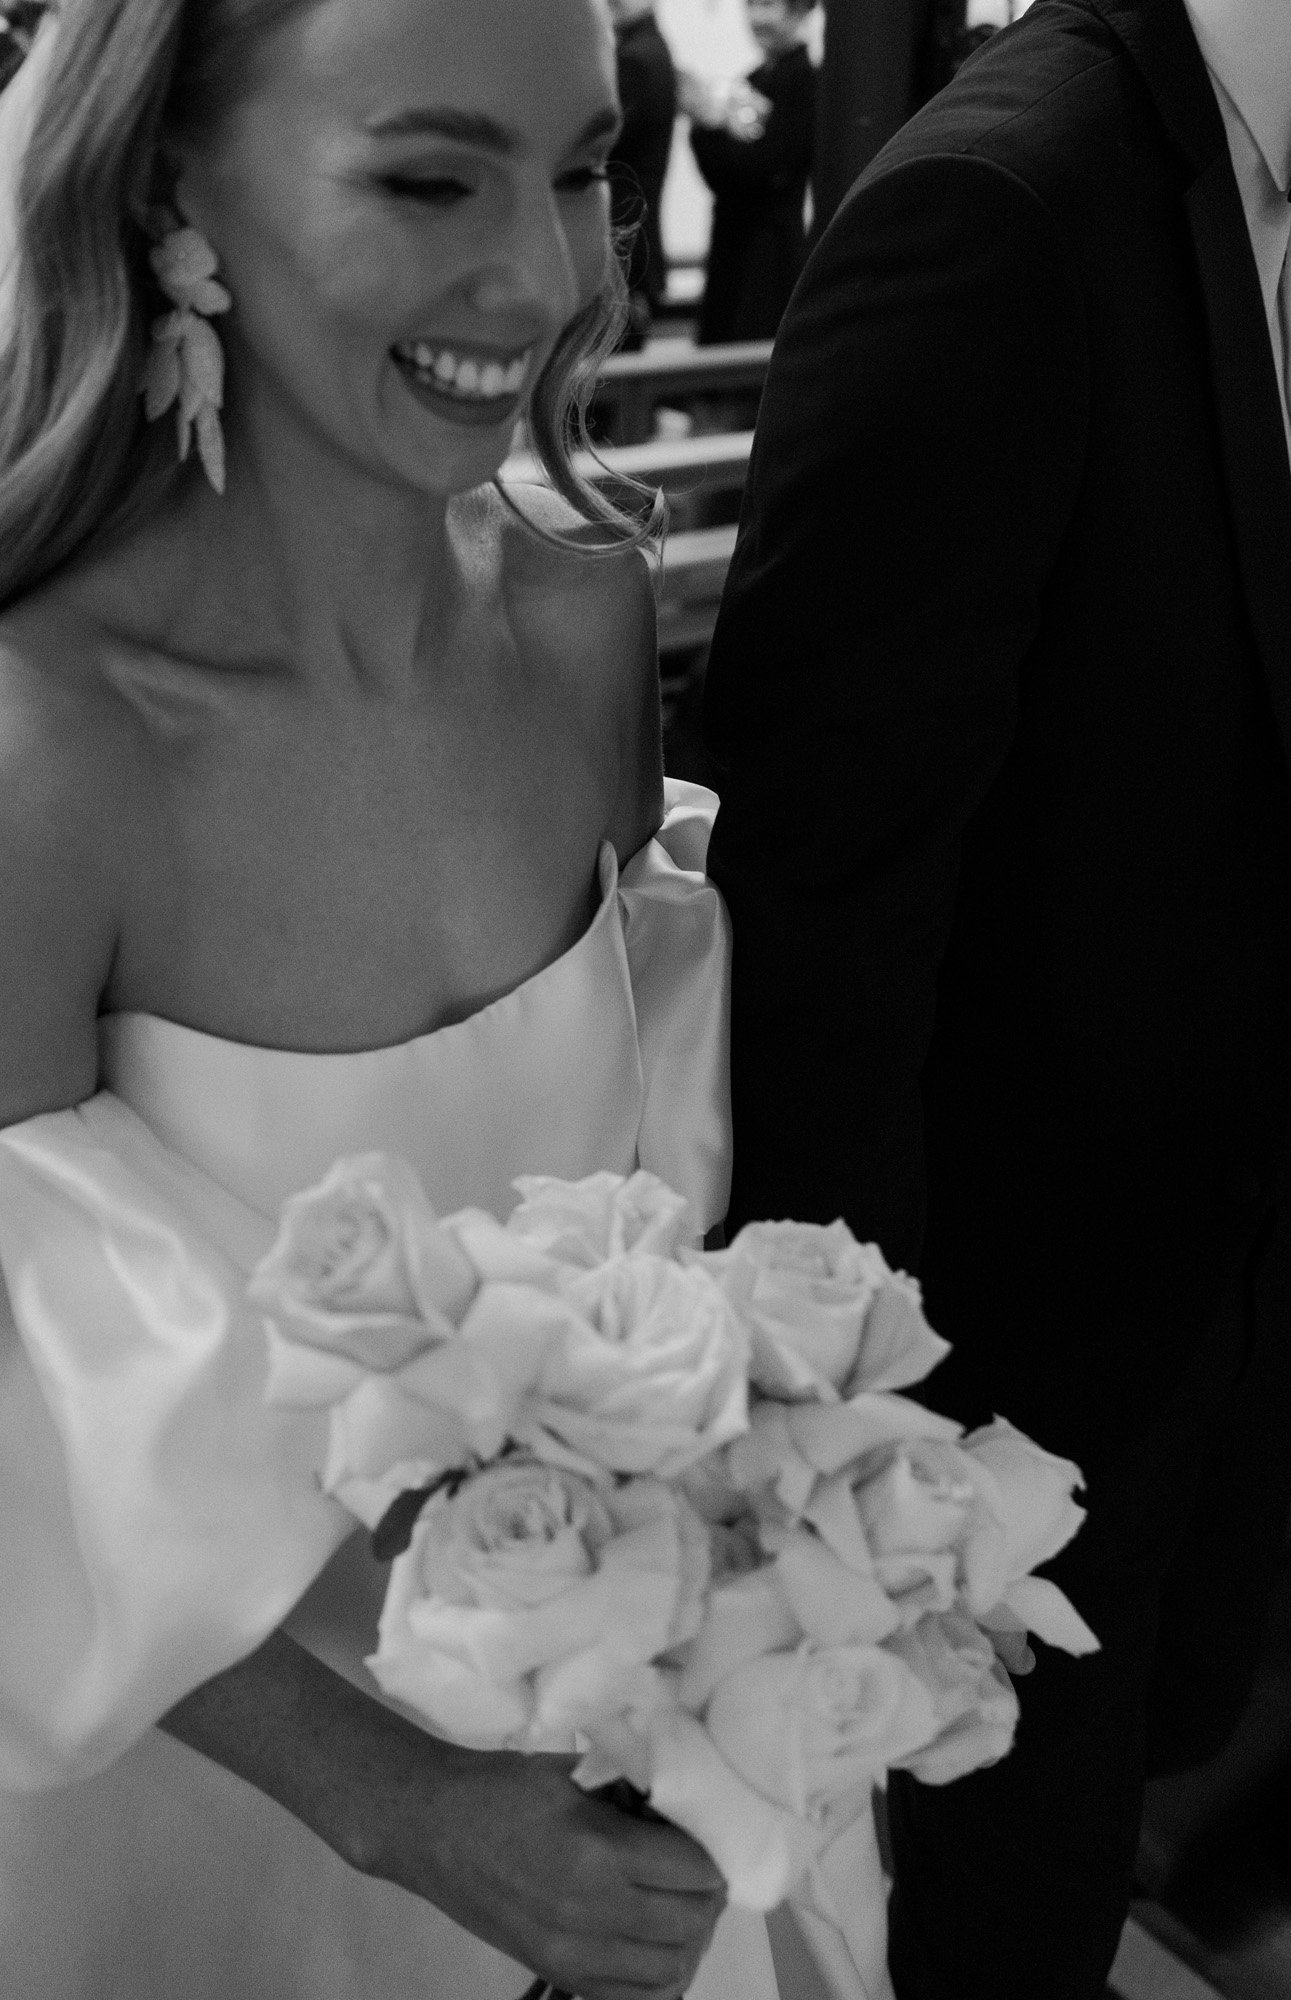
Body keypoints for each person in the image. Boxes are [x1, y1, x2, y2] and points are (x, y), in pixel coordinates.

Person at [0, 2, 792, 1996]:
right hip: (173, 1825)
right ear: (173, 183)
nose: (541, 274)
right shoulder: (47, 754)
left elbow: (647, 1203)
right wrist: (401, 1807)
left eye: (586, 165)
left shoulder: (582, 614)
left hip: (595, 1756)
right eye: (430, 176)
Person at [704, 0, 1291, 1993]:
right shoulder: (1002, 207)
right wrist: (869, 1512)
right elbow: (820, 921)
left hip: (1206, 1350)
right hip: (981, 1441)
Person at [681, 0, 816, 346]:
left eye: (768, 5)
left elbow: (765, 168)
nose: (756, 18)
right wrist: (706, 125)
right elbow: (723, 179)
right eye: (751, 5)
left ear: (799, 11)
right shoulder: (754, 80)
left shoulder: (803, 81)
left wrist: (711, 125)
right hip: (732, 250)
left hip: (767, 259)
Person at [605, 0, 676, 349]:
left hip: (622, 243)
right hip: (633, 240)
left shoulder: (634, 58)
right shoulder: (651, 48)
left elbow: (605, 145)